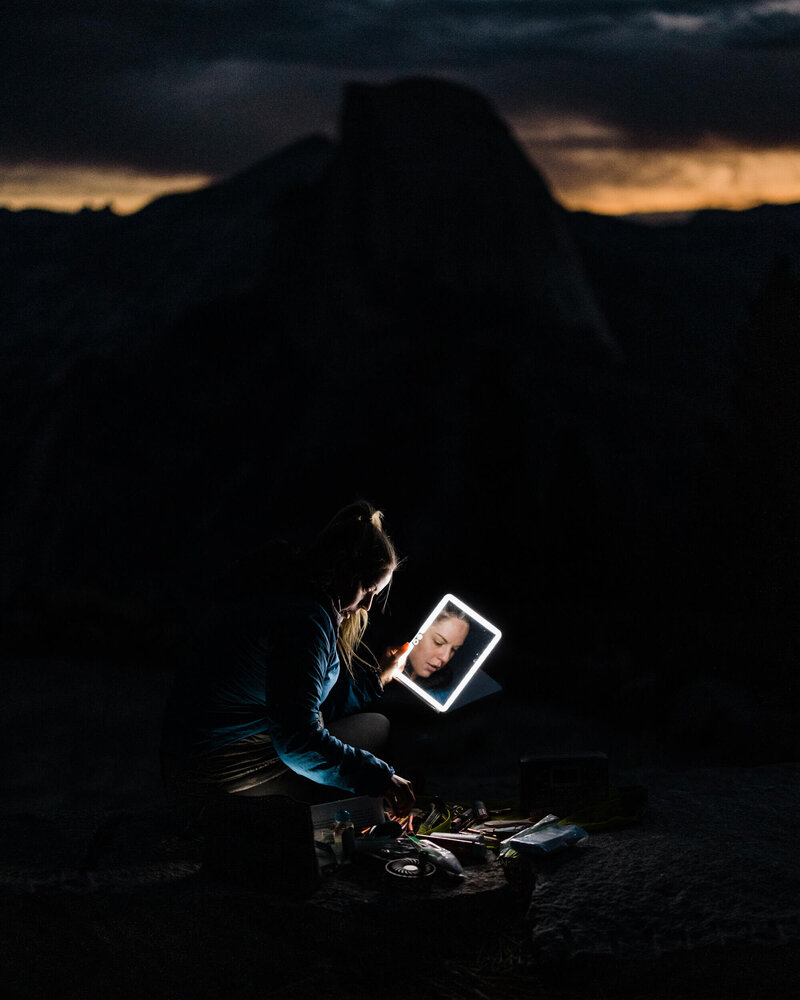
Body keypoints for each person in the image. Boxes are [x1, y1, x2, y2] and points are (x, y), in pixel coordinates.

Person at [160, 501, 415, 825]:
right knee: (376, 737)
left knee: (372, 730)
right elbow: (297, 740)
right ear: (340, 568)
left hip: (193, 766)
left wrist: (377, 679)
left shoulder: (280, 589)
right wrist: (380, 778)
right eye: (367, 589)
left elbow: (299, 701)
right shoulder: (304, 621)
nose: (366, 605)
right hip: (213, 778)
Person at [403, 602, 470, 690]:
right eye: (438, 642)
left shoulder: (441, 692)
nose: (445, 658)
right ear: (417, 631)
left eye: (454, 649)